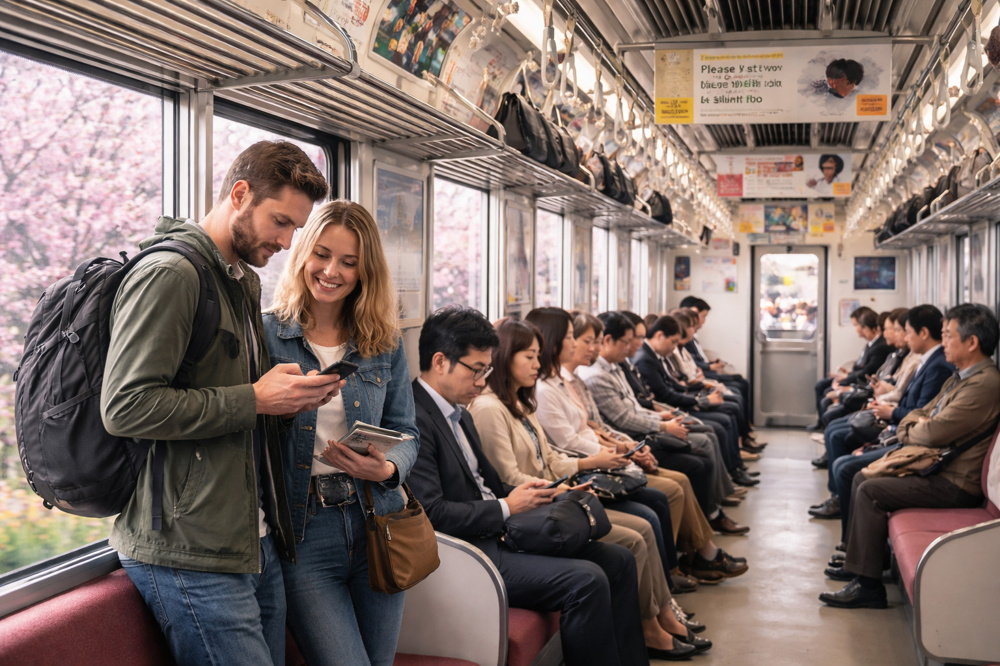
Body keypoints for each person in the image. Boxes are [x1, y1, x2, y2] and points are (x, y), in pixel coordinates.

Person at [101, 141, 337, 665]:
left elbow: (237, 404)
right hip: (189, 548)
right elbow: (125, 406)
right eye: (280, 221)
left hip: (248, 539)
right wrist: (253, 398)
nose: (286, 240)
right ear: (240, 194)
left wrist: (284, 400)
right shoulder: (171, 275)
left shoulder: (241, 282)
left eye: (295, 228)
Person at [407, 306, 687, 664]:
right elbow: (433, 514)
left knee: (617, 559)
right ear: (440, 361)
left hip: (500, 529)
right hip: (471, 552)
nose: (481, 381)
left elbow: (491, 483)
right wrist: (510, 506)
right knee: (586, 581)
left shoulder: (457, 412)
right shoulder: (417, 419)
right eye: (476, 370)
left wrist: (543, 494)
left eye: (486, 370)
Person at [469, 317, 709, 658]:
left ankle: (656, 620)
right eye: (529, 357)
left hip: (555, 494)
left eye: (539, 356)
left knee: (640, 527)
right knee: (635, 533)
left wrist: (578, 475)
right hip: (535, 512)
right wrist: (567, 489)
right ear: (506, 357)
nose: (538, 364)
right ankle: (651, 627)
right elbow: (510, 479)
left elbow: (550, 457)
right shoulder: (489, 410)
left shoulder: (520, 402)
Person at [263, 200, 419, 666]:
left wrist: (388, 467)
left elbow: (406, 430)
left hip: (377, 521)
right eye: (322, 255)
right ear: (303, 253)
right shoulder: (265, 333)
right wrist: (289, 409)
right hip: (304, 529)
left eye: (349, 262)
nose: (332, 271)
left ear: (365, 271)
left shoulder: (383, 340)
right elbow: (247, 433)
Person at [528, 307, 748, 585]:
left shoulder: (571, 380)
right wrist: (625, 448)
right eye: (581, 339)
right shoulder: (553, 387)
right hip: (590, 466)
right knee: (678, 479)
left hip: (609, 450)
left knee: (693, 458)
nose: (583, 346)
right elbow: (574, 442)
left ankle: (698, 552)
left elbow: (599, 425)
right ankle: (681, 565)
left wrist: (626, 445)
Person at [821, 304, 1000, 609]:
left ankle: (868, 586)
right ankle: (861, 567)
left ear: (971, 342)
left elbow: (933, 431)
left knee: (870, 488)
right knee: (864, 477)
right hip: (937, 468)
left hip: (954, 482)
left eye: (948, 336)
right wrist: (913, 425)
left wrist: (909, 427)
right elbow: (921, 414)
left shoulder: (983, 385)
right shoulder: (961, 376)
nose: (943, 343)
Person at [576, 312, 747, 535]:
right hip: (630, 438)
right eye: (629, 340)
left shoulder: (614, 368)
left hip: (630, 438)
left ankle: (715, 509)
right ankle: (710, 519)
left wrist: (661, 419)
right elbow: (622, 420)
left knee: (708, 435)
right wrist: (651, 434)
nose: (633, 345)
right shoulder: (596, 375)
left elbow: (629, 410)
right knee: (700, 453)